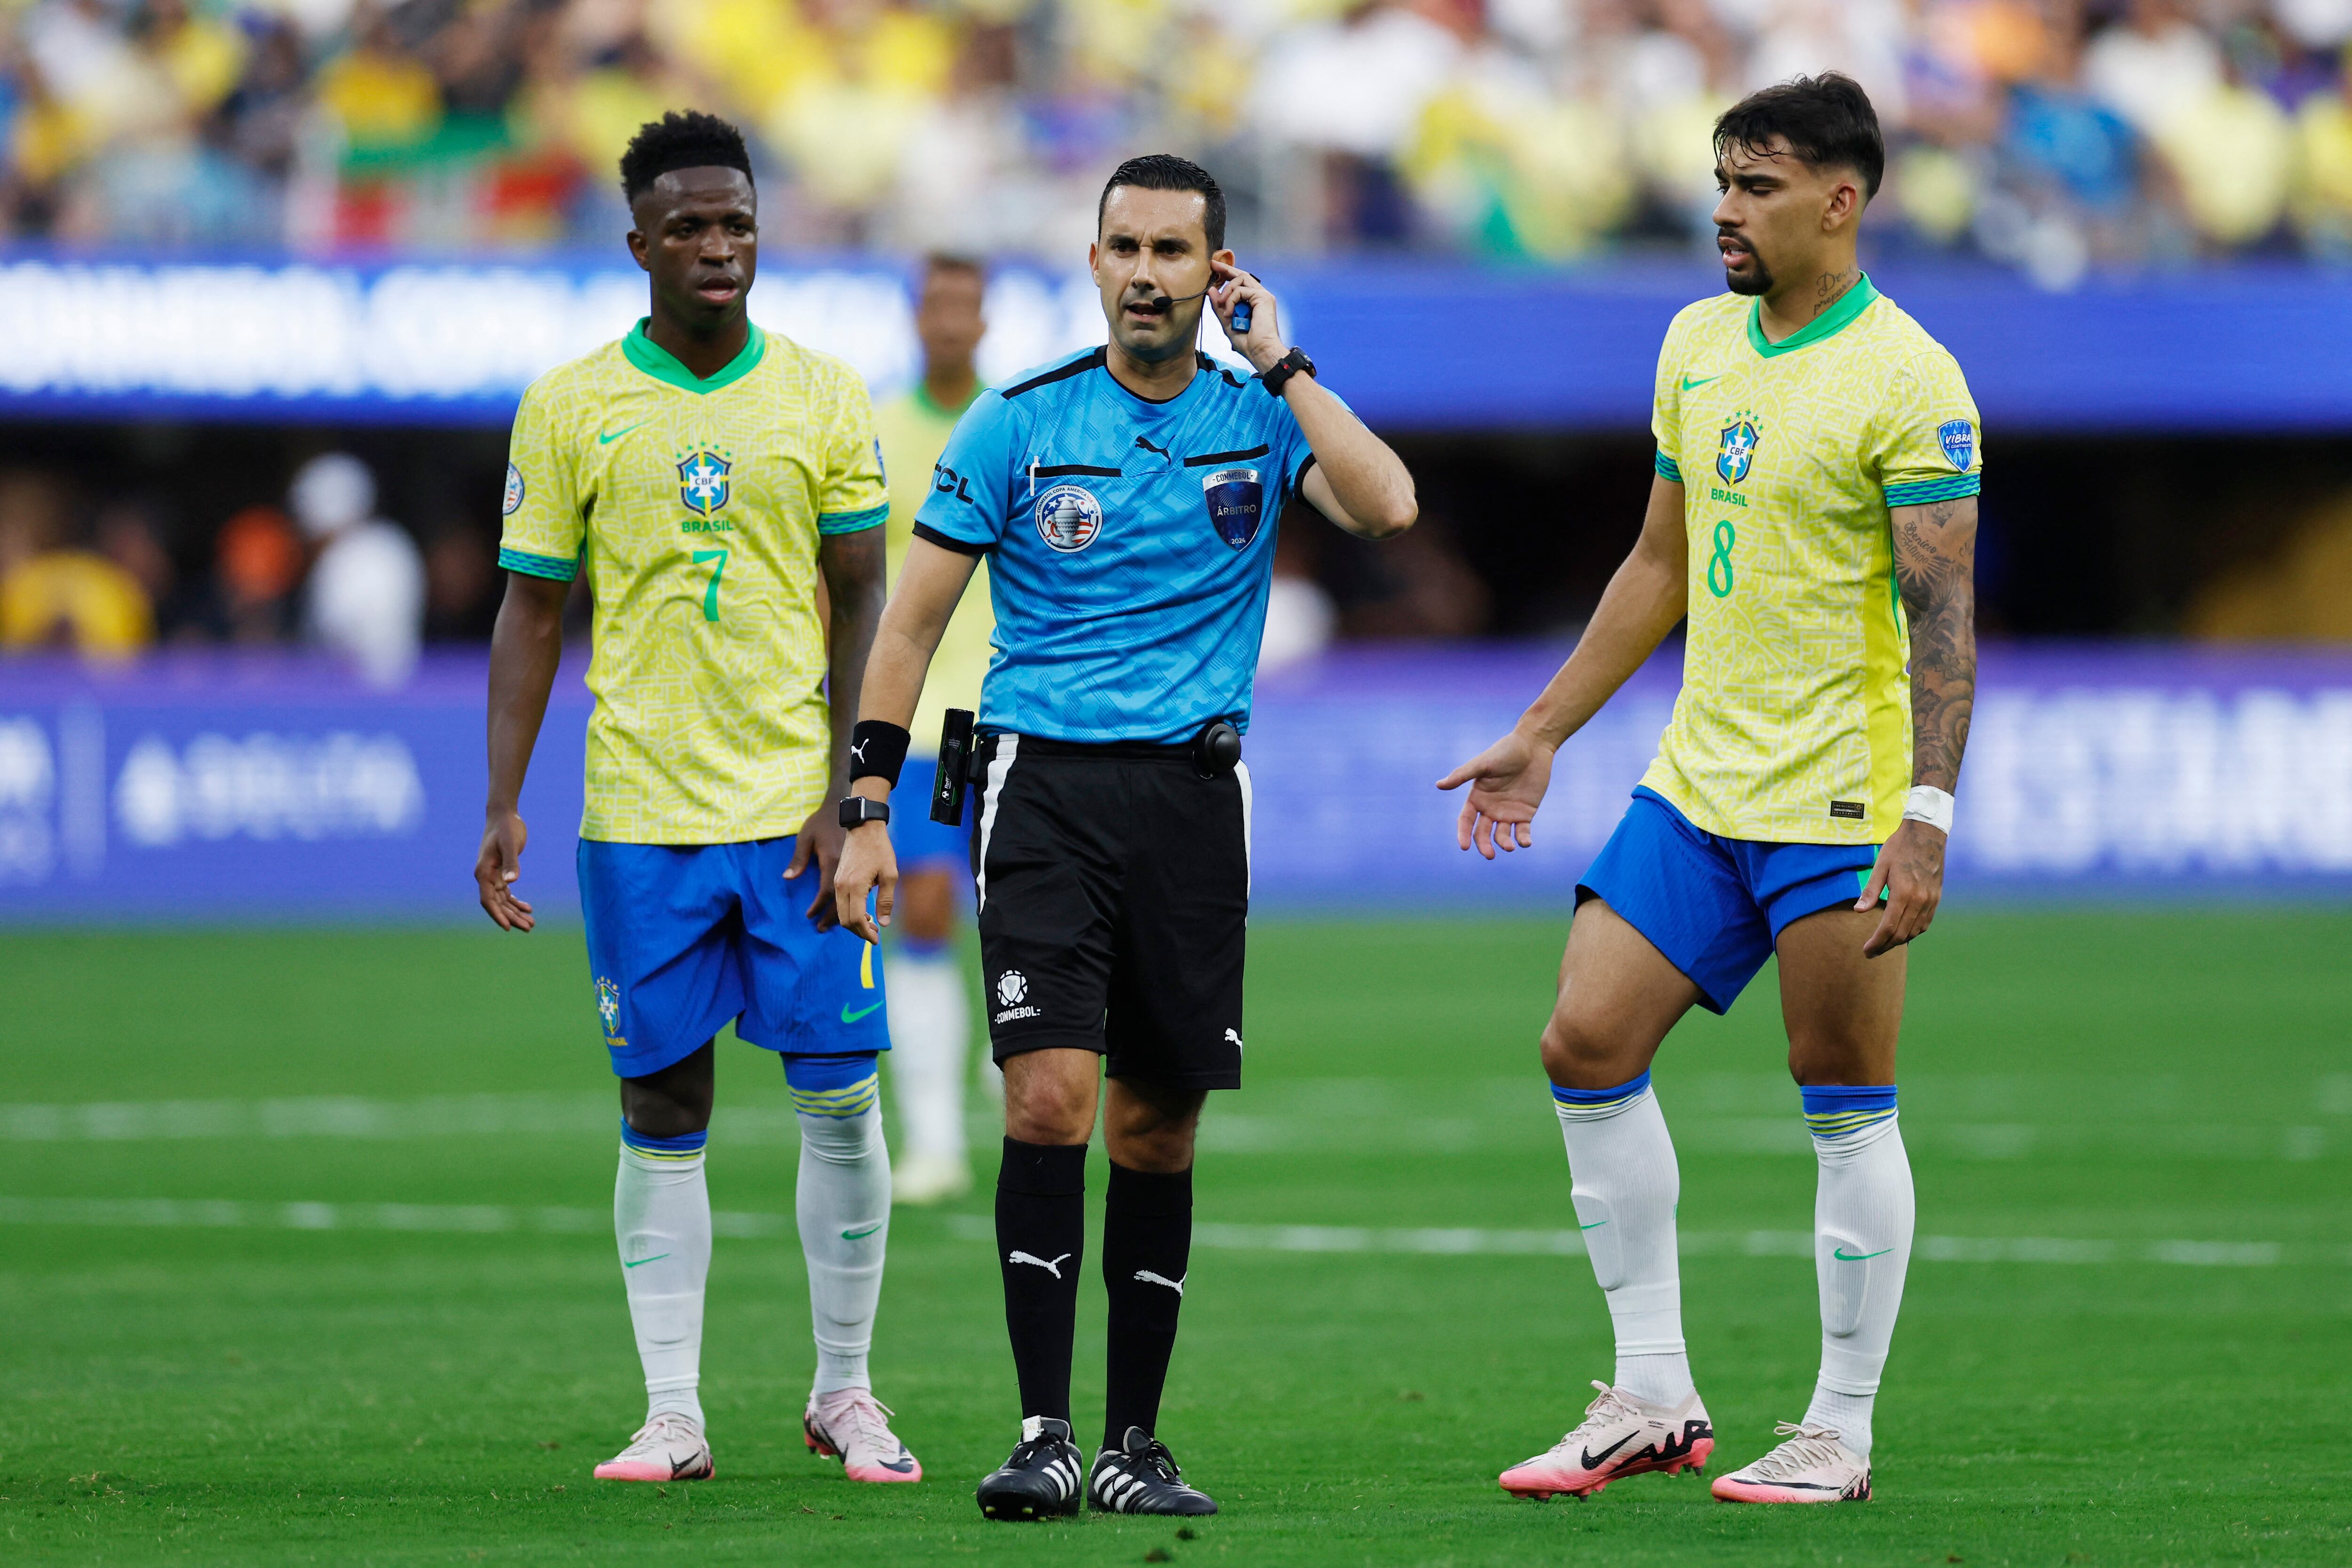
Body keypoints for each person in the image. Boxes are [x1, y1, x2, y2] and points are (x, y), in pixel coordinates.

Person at [833, 153, 1418, 1521]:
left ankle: (1132, 1444)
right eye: (1125, 248)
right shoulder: (1017, 424)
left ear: (1215, 273)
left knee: (1156, 1130)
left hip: (1195, 802)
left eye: (1174, 251)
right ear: (1092, 264)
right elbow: (907, 624)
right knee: (1050, 1099)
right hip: (1039, 793)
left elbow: (1387, 504)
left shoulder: (1260, 418)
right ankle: (1041, 1431)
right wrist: (864, 806)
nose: (1146, 272)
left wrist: (1283, 363)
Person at [1438, 73, 1979, 1507]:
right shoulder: (1694, 344)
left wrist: (1924, 815)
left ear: (1837, 202)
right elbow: (1657, 563)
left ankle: (1837, 1427)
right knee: (1581, 1039)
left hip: (1837, 797)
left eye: (1754, 186)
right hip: (1697, 779)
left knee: (1842, 1096)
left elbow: (1940, 618)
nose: (1722, 210)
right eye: (1720, 181)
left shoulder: (1910, 377)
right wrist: (1544, 728)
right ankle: (1651, 1390)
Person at [474, 109, 919, 1492]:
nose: (719, 247)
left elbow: (864, 601)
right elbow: (529, 610)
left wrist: (858, 792)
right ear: (639, 244)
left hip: (796, 809)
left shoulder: (827, 393)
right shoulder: (569, 403)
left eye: (736, 222)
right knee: (661, 1103)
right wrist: (504, 798)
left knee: (840, 1096)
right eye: (690, 227)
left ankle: (843, 1390)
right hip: (639, 809)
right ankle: (672, 1410)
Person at [872, 251, 997, 1206]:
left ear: (986, 318)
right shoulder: (875, 430)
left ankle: (1021, 1092)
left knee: (1023, 923)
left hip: (1010, 714)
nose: (951, 320)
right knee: (921, 909)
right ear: (916, 316)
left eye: (967, 303)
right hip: (924, 725)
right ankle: (937, 1142)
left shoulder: (1015, 421)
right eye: (936, 302)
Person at [291, 452, 425, 688]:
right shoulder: (393, 541)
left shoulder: (347, 557)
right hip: (399, 683)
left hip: (358, 689)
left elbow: (335, 638)